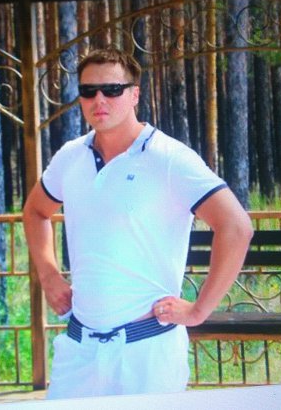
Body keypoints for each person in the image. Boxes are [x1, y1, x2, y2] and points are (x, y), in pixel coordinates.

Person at [22, 48, 253, 399]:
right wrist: (49, 274)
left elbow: (236, 227)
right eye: (88, 91)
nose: (99, 99)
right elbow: (36, 211)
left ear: (134, 94)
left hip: (147, 352)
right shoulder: (70, 156)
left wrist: (199, 310)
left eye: (112, 89)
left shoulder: (168, 158)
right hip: (79, 350)